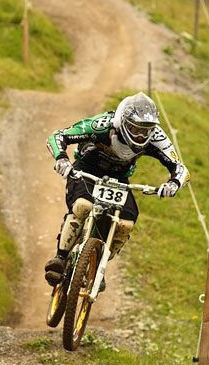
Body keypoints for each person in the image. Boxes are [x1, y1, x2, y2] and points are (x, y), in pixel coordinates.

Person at [44, 92, 190, 286]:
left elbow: (180, 168)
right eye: (135, 128)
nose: (140, 135)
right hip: (86, 169)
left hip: (119, 179)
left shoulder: (157, 136)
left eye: (145, 130)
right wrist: (62, 159)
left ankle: (98, 265)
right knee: (83, 206)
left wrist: (173, 184)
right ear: (123, 121)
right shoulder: (102, 125)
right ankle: (60, 257)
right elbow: (58, 136)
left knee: (126, 224)